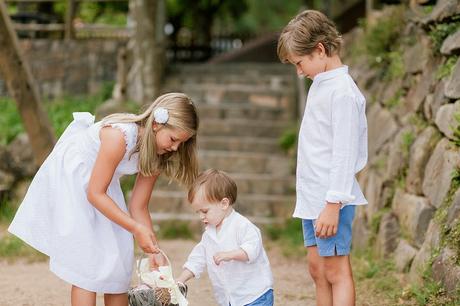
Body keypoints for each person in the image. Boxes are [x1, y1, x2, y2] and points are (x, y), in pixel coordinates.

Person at [8, 92, 199, 306]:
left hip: (103, 182)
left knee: (119, 255)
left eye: (181, 144)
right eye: (174, 139)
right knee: (87, 257)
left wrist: (152, 249)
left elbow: (138, 205)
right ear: (156, 124)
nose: (175, 148)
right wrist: (136, 229)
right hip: (74, 177)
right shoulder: (118, 136)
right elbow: (94, 193)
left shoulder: (157, 154)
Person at [277, 10, 368, 306]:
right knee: (317, 269)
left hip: (331, 200)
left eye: (300, 63)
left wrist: (333, 204)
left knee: (336, 269)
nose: (299, 71)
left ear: (320, 50)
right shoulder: (322, 84)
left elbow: (344, 153)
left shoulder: (343, 93)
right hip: (313, 197)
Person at [176, 169, 274, 306]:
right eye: (198, 212)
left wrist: (230, 255)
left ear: (224, 204)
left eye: (204, 211)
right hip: (230, 299)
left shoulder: (242, 226)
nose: (201, 216)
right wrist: (181, 279)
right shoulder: (208, 235)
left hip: (254, 295)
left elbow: (251, 250)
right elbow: (197, 259)